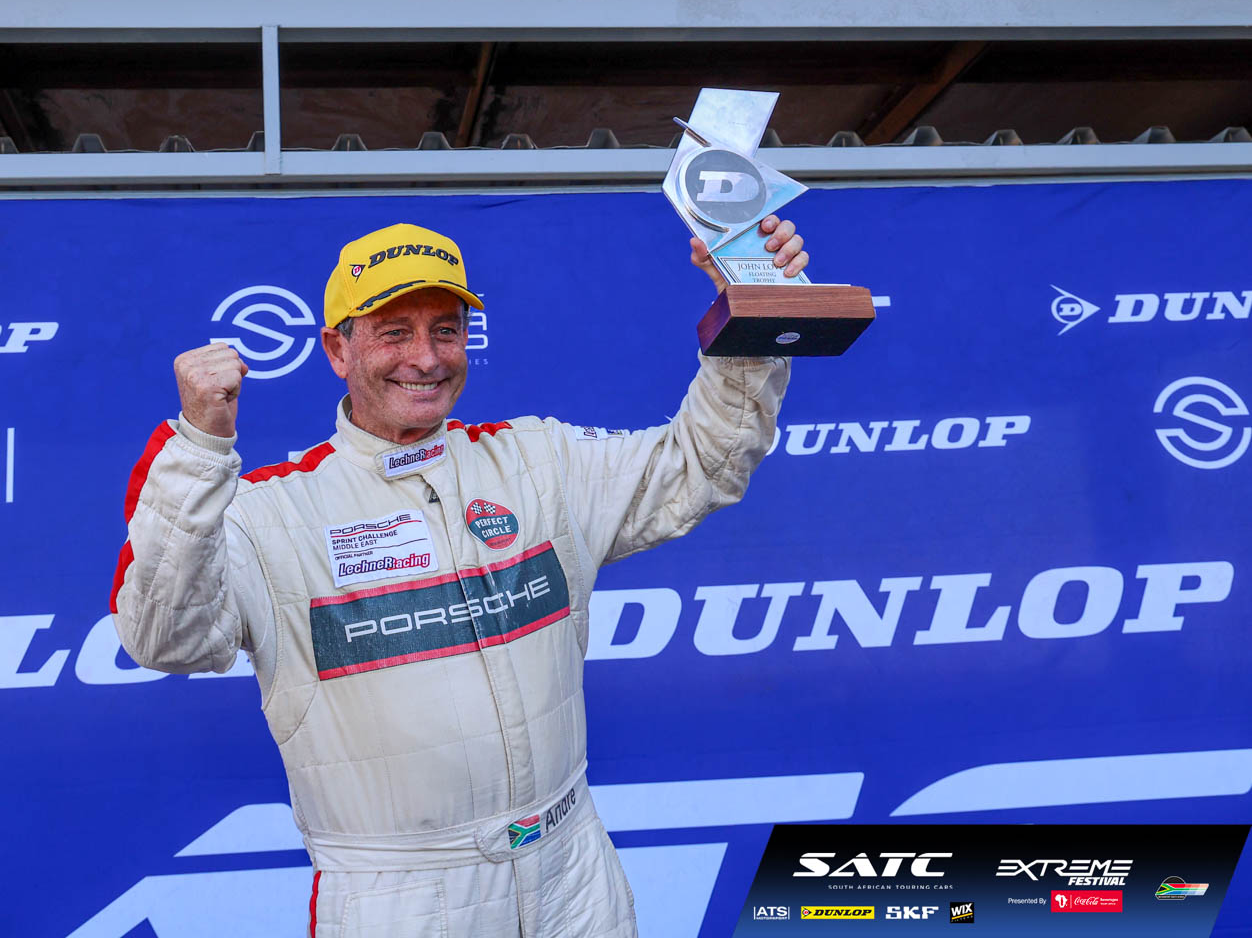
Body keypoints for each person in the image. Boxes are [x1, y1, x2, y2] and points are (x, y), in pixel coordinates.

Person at [110, 218, 805, 938]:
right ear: (337, 350)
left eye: (446, 330)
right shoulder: (269, 513)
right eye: (394, 333)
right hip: (401, 899)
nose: (426, 357)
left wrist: (750, 311)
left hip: (573, 873)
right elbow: (166, 639)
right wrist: (200, 446)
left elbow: (701, 464)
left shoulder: (539, 462)